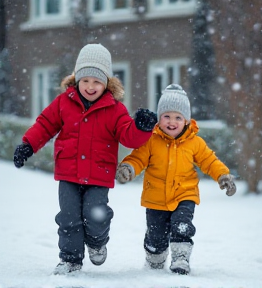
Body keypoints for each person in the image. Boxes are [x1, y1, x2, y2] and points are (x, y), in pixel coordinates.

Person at [13, 43, 157, 275]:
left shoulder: (115, 109)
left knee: (95, 215)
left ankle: (97, 241)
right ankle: (70, 259)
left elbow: (129, 136)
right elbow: (45, 125)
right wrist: (28, 145)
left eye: (97, 81)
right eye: (86, 80)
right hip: (68, 173)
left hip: (98, 175)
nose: (90, 86)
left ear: (106, 83)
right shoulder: (63, 103)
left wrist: (141, 128)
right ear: (77, 79)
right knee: (68, 218)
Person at [116, 84, 236, 275]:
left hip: (184, 194)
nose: (172, 122)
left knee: (182, 225)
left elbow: (209, 160)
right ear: (159, 118)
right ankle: (155, 259)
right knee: (156, 234)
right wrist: (129, 168)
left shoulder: (194, 142)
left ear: (186, 120)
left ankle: (181, 258)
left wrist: (222, 175)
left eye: (178, 117)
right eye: (167, 116)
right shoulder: (151, 140)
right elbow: (138, 158)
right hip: (155, 197)